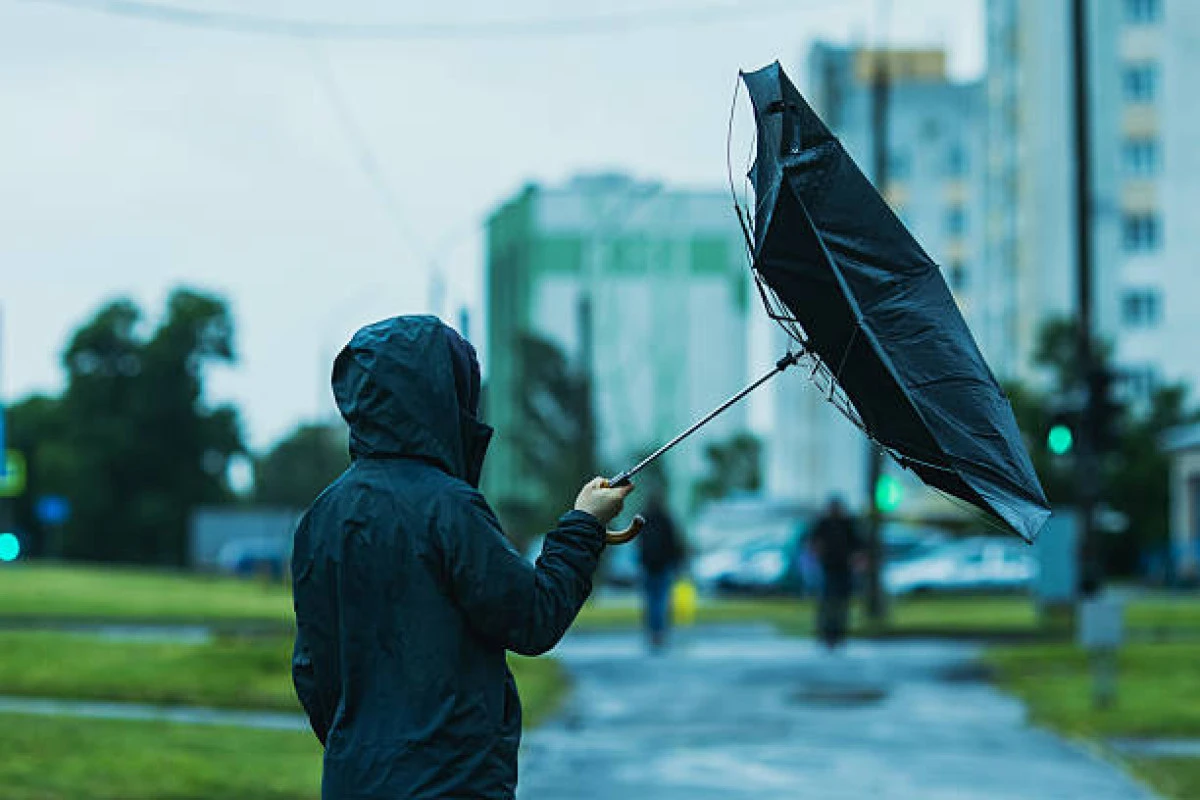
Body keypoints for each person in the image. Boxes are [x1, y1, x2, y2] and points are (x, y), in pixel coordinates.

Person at [290, 316, 633, 799]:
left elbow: (311, 669)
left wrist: (365, 749)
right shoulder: (449, 507)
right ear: (439, 398)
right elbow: (533, 618)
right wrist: (583, 524)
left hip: (355, 781)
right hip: (454, 783)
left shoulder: (322, 516)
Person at [807, 495, 862, 650]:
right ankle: (826, 634)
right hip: (828, 567)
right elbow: (813, 542)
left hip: (844, 568)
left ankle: (838, 634)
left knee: (841, 603)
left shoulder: (848, 524)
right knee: (828, 602)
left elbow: (857, 545)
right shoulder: (823, 524)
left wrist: (857, 560)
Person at [635, 489, 685, 651]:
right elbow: (674, 543)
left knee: (650, 601)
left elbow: (638, 543)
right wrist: (677, 564)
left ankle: (652, 632)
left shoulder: (643, 518)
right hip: (664, 565)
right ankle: (660, 632)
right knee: (662, 600)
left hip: (648, 566)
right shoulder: (666, 519)